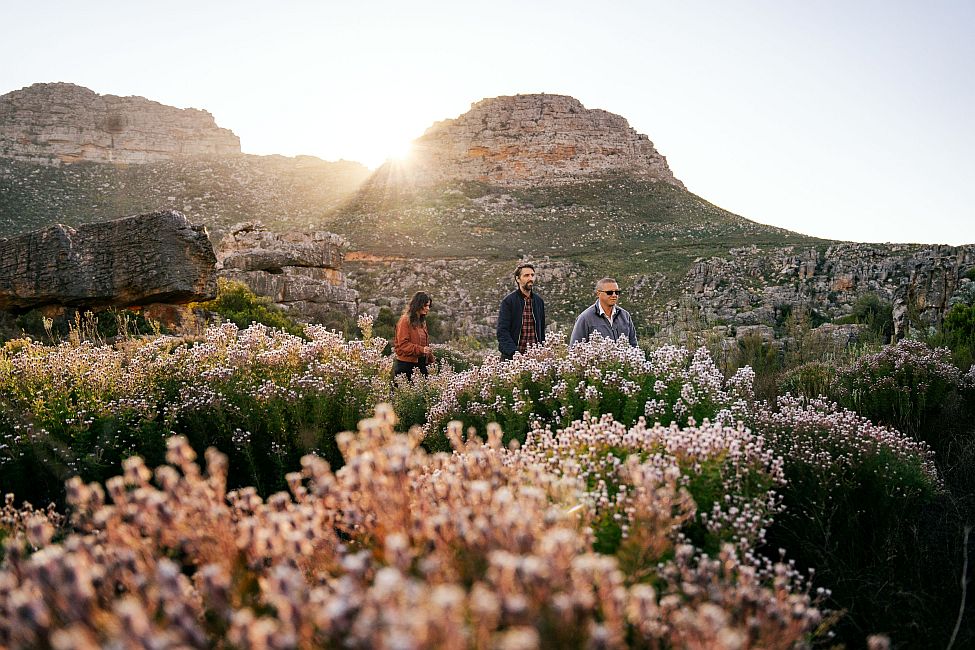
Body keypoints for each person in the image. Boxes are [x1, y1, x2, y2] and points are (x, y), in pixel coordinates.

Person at [497, 262, 546, 360]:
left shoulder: (539, 301)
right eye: (526, 275)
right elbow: (502, 332)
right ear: (518, 279)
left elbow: (541, 331)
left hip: (534, 360)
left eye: (532, 275)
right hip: (512, 359)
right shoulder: (508, 302)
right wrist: (514, 353)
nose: (531, 278)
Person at [569, 277, 638, 347]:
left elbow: (633, 345)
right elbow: (574, 348)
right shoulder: (585, 318)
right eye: (609, 292)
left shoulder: (625, 316)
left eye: (617, 292)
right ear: (598, 293)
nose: (614, 295)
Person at [393, 291, 435, 381]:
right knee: (403, 393)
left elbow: (425, 344)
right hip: (406, 365)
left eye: (429, 306)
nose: (428, 308)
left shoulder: (422, 322)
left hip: (421, 364)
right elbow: (403, 345)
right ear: (418, 305)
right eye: (425, 305)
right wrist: (421, 350)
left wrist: (431, 360)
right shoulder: (405, 321)